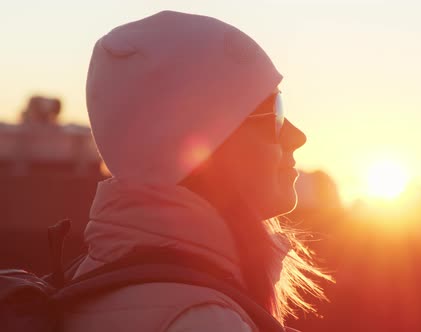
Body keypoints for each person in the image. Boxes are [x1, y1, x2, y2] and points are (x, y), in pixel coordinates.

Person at [63, 10, 329, 332]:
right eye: (274, 114)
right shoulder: (203, 319)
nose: (297, 136)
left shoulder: (96, 279)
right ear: (206, 146)